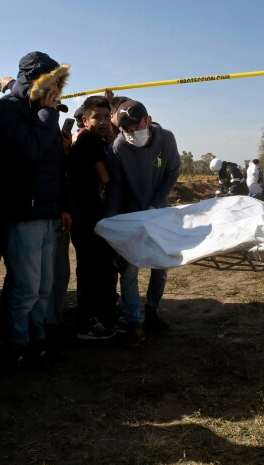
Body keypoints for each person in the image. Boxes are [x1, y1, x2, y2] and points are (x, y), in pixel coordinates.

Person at [0, 51, 72, 367]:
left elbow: (55, 164)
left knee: (45, 285)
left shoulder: (41, 110)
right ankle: (17, 344)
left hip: (48, 212)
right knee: (25, 286)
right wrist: (48, 113)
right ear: (32, 77)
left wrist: (63, 205)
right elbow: (32, 151)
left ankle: (40, 339)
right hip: (22, 213)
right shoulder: (9, 110)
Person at [105, 99, 180, 347]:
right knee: (128, 269)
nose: (130, 134)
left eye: (135, 128)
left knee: (160, 266)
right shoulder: (118, 147)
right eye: (125, 130)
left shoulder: (166, 140)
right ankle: (134, 321)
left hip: (158, 213)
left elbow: (172, 172)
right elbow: (116, 185)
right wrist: (111, 219)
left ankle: (152, 310)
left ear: (147, 121)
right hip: (132, 215)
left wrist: (157, 202)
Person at [66, 96, 119, 340]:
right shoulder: (89, 140)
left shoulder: (90, 139)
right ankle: (85, 324)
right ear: (85, 120)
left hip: (86, 215)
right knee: (90, 270)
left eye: (107, 116)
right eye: (96, 117)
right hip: (86, 216)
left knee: (95, 269)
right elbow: (106, 179)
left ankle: (97, 317)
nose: (103, 121)